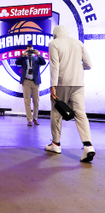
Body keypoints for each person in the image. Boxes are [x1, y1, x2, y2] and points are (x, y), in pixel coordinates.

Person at [45, 25, 95, 162]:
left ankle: (56, 144)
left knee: (56, 113)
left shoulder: (53, 44)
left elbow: (54, 66)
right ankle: (88, 146)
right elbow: (89, 64)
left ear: (55, 33)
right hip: (78, 83)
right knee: (80, 114)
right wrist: (78, 68)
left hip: (62, 83)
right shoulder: (79, 43)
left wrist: (52, 86)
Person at [15, 44, 46, 126]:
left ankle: (35, 118)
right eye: (28, 50)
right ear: (26, 50)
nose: (30, 52)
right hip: (26, 81)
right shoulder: (23, 58)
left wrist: (38, 54)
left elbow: (43, 62)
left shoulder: (36, 58)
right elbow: (17, 62)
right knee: (27, 101)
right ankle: (29, 120)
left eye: (31, 50)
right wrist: (23, 55)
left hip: (35, 81)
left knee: (36, 101)